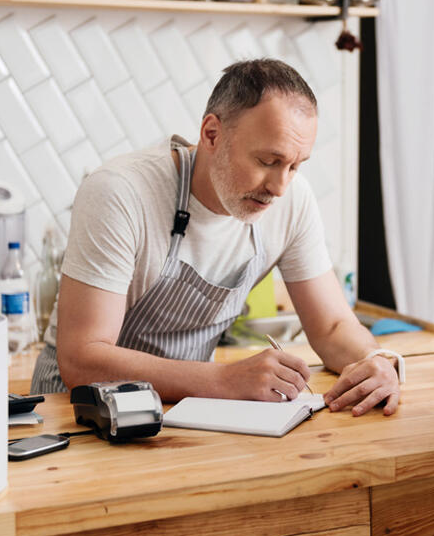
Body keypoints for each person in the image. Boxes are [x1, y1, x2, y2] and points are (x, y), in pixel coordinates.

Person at [31, 58, 401, 417]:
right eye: (268, 162)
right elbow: (83, 359)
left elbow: (333, 327)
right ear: (211, 134)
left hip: (188, 410)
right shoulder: (119, 192)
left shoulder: (293, 202)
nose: (279, 187)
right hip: (77, 415)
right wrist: (225, 378)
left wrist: (373, 361)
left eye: (295, 165)